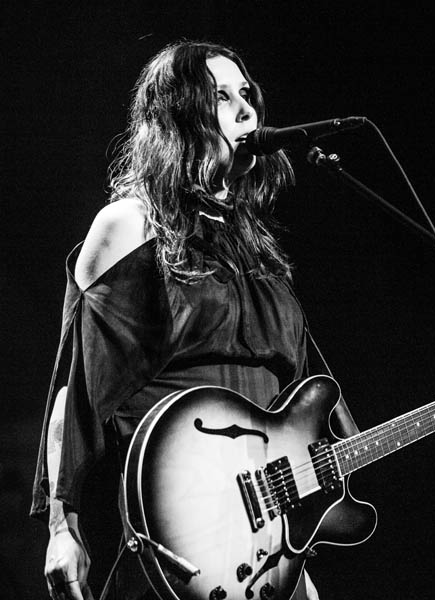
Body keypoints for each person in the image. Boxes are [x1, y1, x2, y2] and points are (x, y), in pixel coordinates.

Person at [31, 41, 357, 600]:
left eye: (247, 94)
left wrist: (295, 558)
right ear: (179, 117)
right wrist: (64, 527)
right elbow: (73, 391)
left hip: (264, 560)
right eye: (221, 97)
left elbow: (293, 411)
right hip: (172, 550)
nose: (247, 111)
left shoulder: (258, 253)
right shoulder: (130, 227)